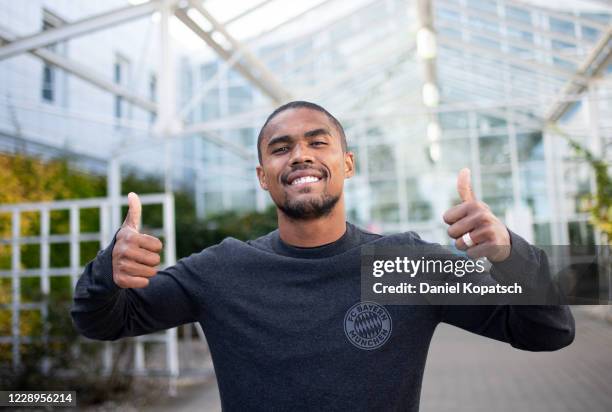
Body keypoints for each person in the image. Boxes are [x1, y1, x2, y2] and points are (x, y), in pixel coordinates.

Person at [71, 101, 574, 411]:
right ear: (263, 175)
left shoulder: (402, 266)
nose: (301, 155)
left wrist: (511, 254)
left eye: (318, 141)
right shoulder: (223, 271)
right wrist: (107, 271)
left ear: (347, 163)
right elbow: (100, 321)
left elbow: (549, 331)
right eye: (281, 147)